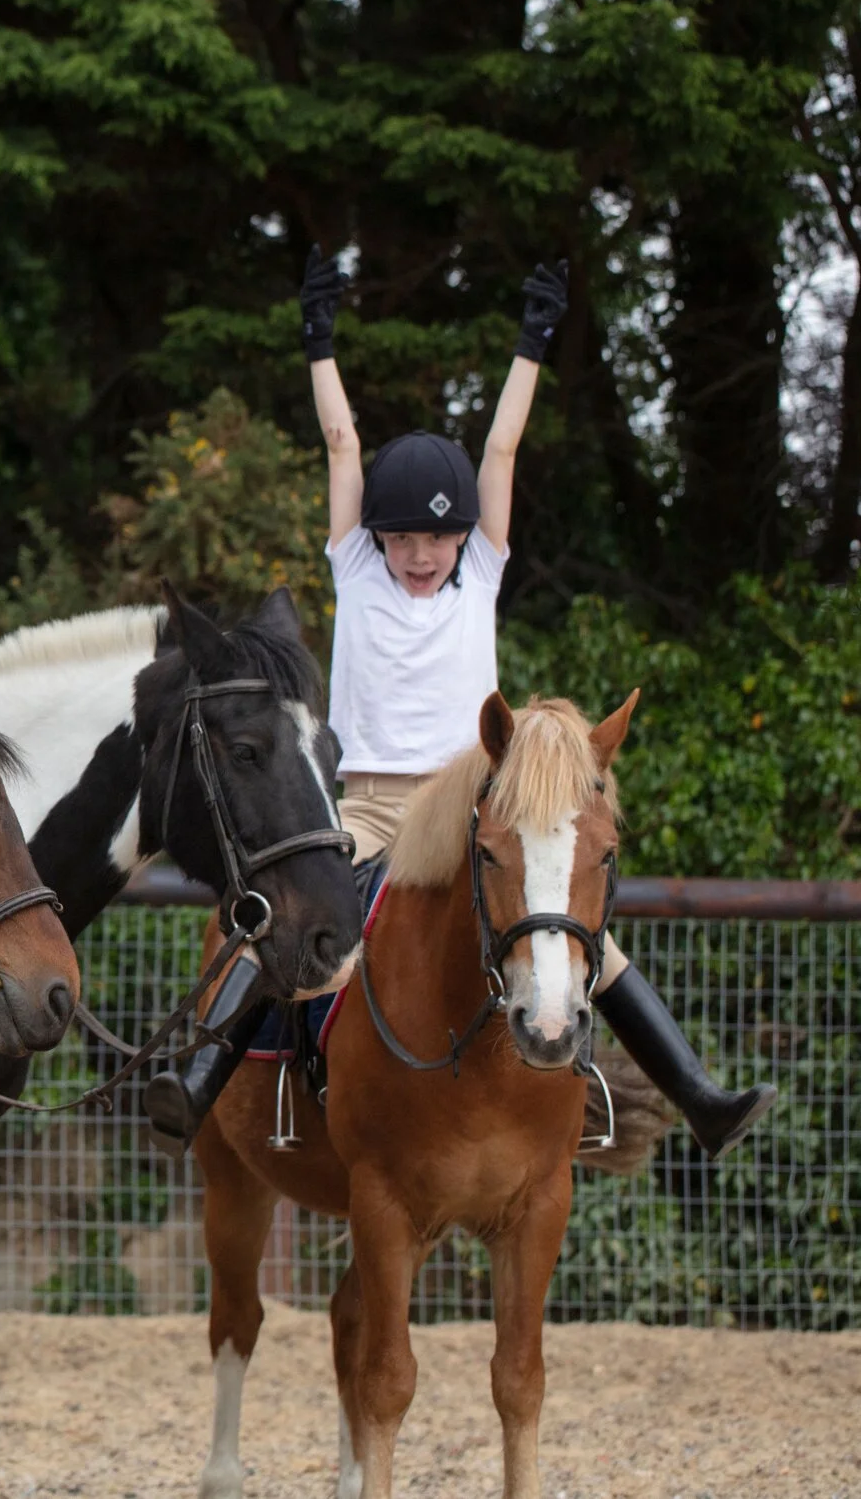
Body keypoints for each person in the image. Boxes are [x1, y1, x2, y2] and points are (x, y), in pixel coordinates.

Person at [144, 248, 775, 1158]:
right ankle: (203, 1083)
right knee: (285, 917)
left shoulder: (480, 572)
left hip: (464, 804)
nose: (422, 553)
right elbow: (341, 446)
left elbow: (504, 446)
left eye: (438, 537)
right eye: (404, 537)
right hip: (362, 802)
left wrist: (532, 342)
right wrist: (319, 343)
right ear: (378, 540)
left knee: (579, 934)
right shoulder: (356, 568)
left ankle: (699, 1093)